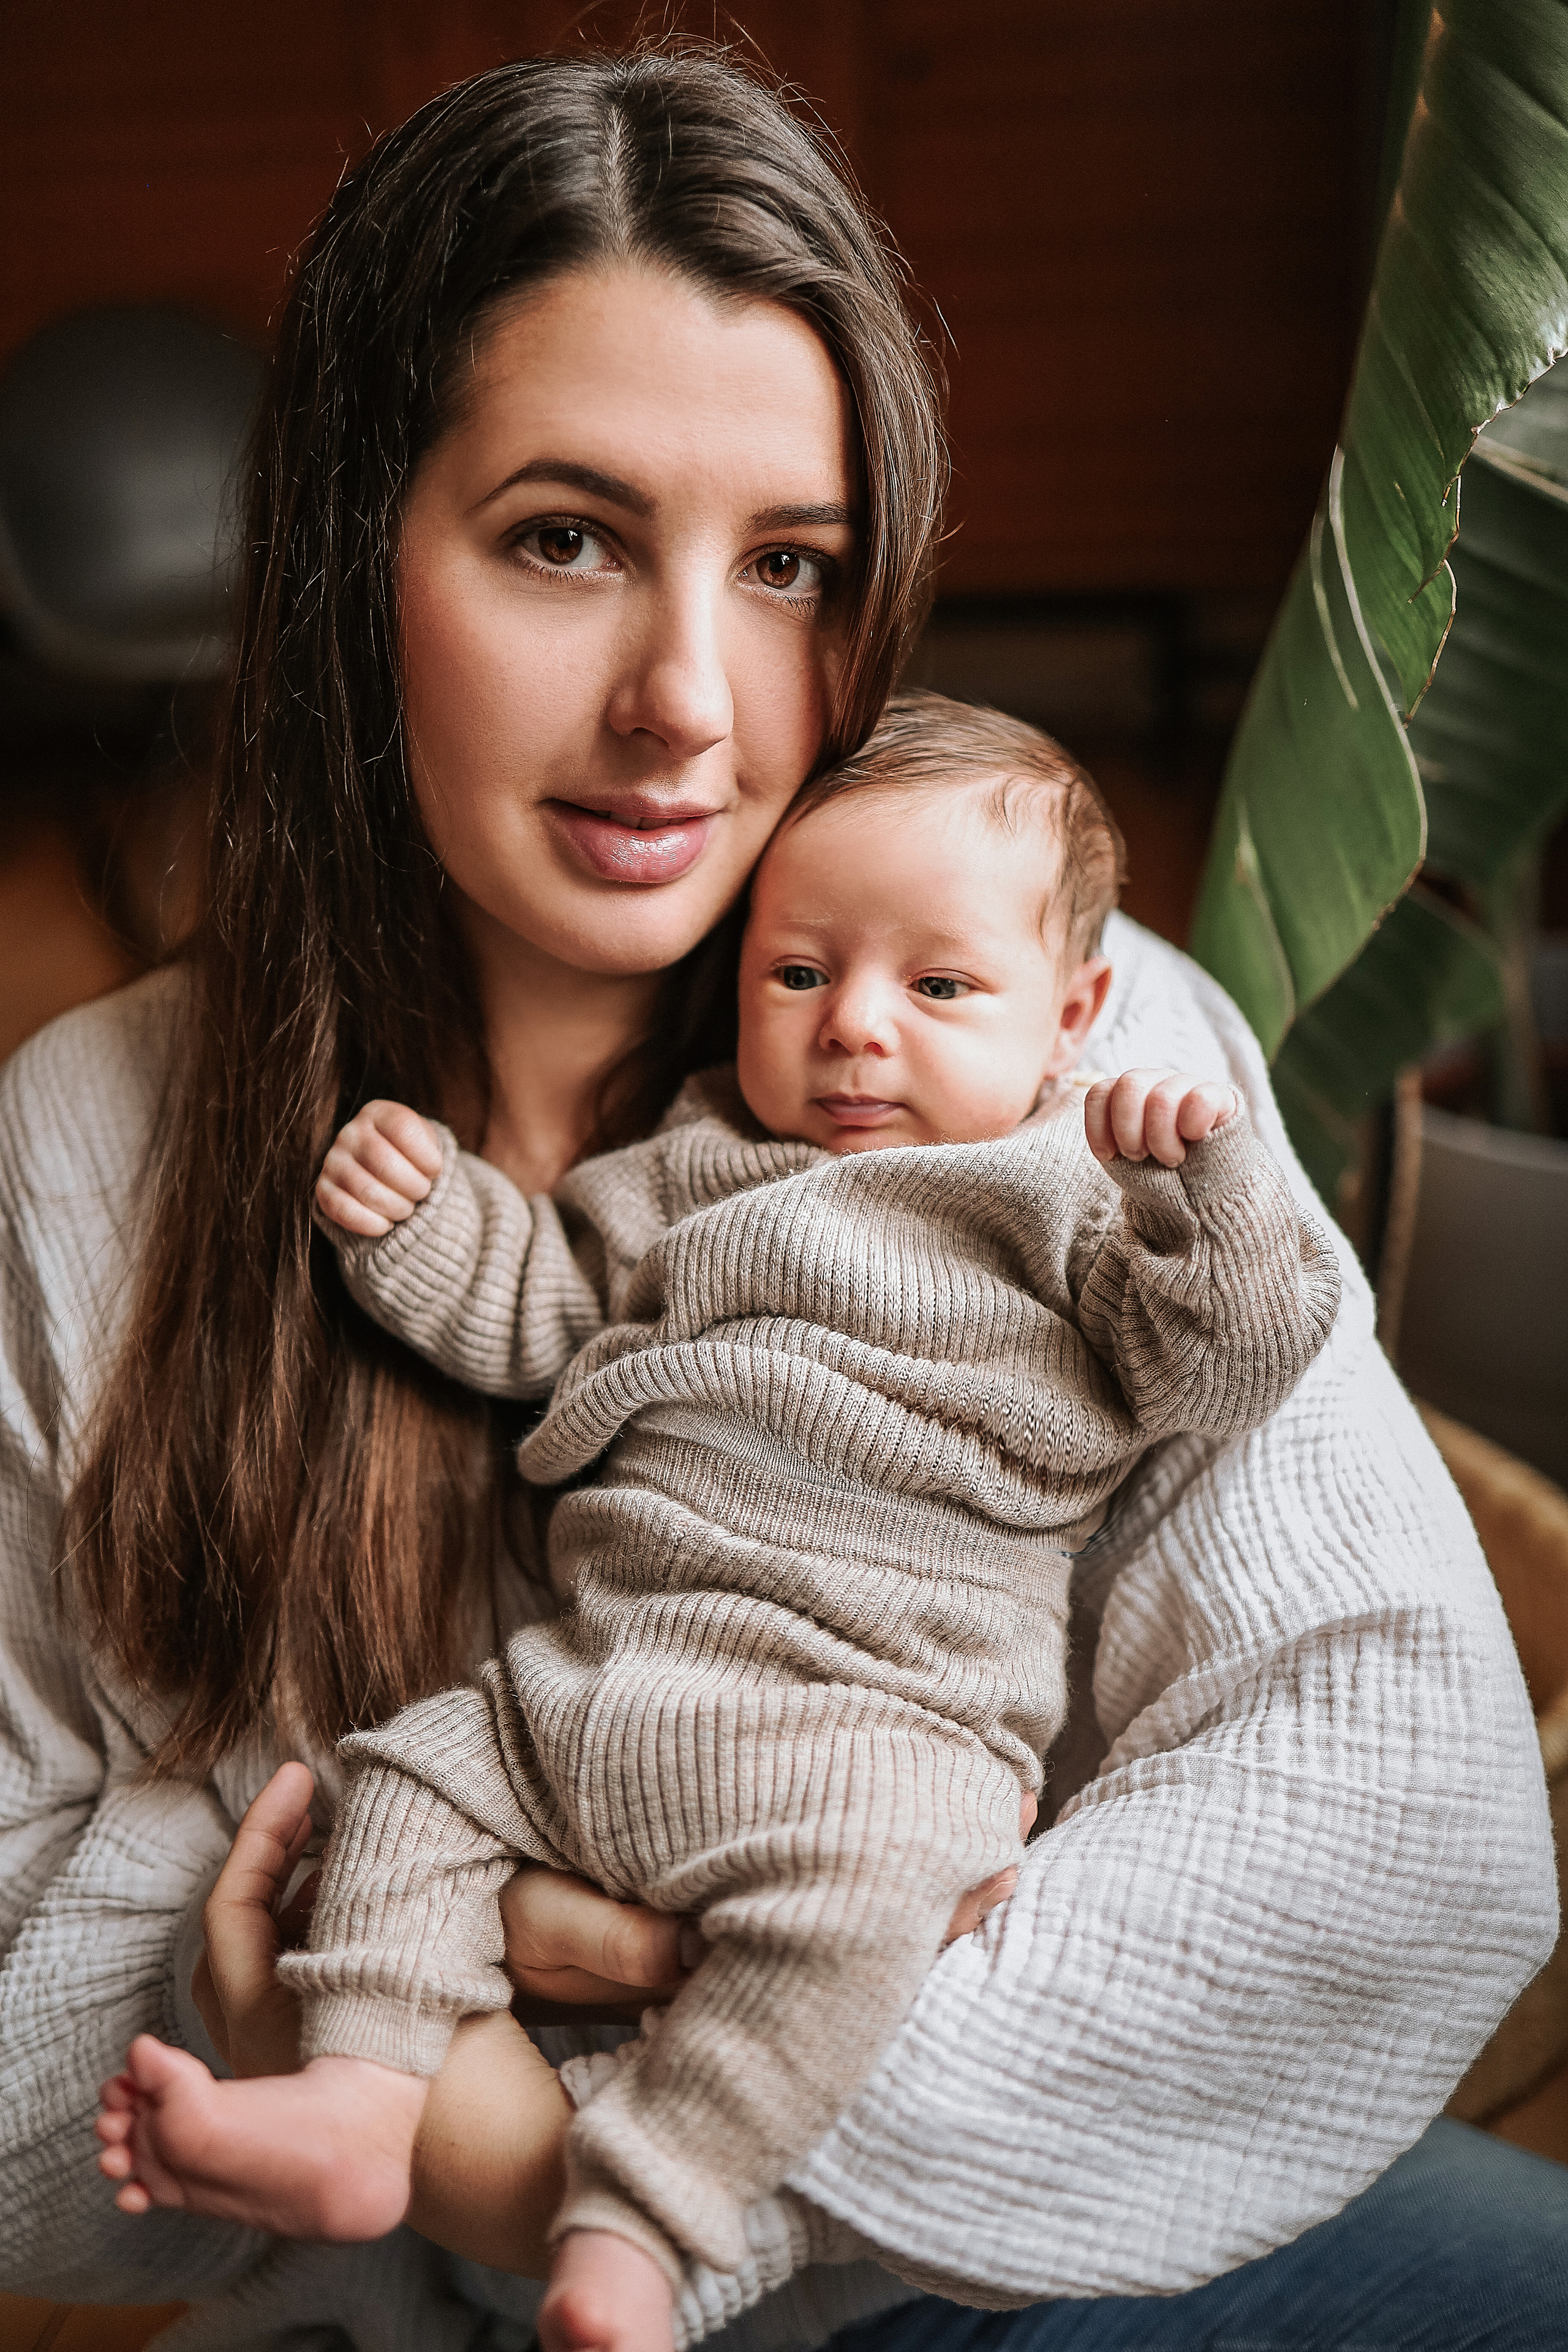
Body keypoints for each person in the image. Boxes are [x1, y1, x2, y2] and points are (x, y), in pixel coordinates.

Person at [0, 41, 1560, 2352]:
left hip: (1011, 2251)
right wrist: (338, 1964)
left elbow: (1404, 1829)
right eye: (565, 538)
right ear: (349, 556)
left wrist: (528, 2151)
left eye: (791, 568)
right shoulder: (85, 1145)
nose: (689, 703)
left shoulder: (1063, 1054)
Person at [92, 695, 1341, 2352]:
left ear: (1074, 1018)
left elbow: (1233, 1362)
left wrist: (1213, 1197)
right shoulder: (692, 1163)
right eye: (800, 973)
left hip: (878, 1724)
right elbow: (550, 1314)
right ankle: (355, 2107)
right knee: (398, 1789)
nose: (855, 1030)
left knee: (858, 1931)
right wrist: (429, 1222)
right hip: (599, 1686)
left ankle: (642, 2224)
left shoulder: (1071, 1200)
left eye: (940, 987)